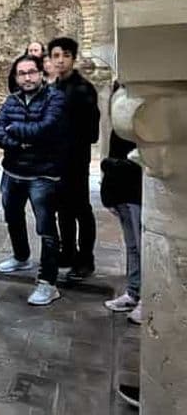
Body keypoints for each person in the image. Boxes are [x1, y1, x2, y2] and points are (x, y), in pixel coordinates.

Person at [0, 55, 66, 306]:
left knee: (46, 229)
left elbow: (47, 129)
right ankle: (21, 257)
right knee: (12, 216)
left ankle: (48, 283)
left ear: (40, 74)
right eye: (22, 73)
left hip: (42, 174)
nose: (27, 77)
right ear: (15, 77)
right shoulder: (11, 101)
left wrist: (16, 130)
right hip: (12, 172)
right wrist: (20, 142)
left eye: (31, 72)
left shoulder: (54, 98)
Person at [48, 37, 100, 281]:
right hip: (56, 159)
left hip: (76, 160)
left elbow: (91, 131)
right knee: (61, 209)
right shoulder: (53, 88)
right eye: (56, 55)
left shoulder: (83, 89)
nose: (60, 60)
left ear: (73, 58)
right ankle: (67, 252)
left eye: (65, 55)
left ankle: (85, 260)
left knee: (80, 209)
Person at [101, 84, 143, 325]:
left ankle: (148, 299)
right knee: (133, 246)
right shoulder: (121, 94)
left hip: (139, 186)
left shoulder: (145, 100)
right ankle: (134, 292)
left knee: (143, 245)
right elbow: (116, 146)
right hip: (123, 186)